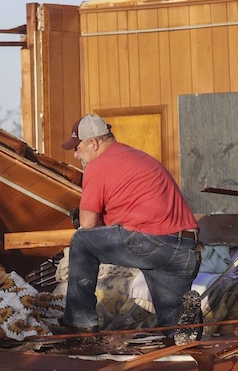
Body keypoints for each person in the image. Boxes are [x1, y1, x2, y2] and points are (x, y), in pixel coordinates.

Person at [61, 114, 201, 332]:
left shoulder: (98, 166)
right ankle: (183, 326)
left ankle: (80, 325)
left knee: (81, 241)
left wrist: (89, 219)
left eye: (77, 148)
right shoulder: (139, 157)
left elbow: (87, 225)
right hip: (184, 248)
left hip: (151, 243)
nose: (76, 154)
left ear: (93, 142)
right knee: (174, 331)